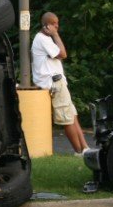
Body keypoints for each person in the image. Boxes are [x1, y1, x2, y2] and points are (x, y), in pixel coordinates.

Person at [31, 12, 90, 155]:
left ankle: (86, 149)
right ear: (46, 25)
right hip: (54, 83)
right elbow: (63, 54)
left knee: (72, 116)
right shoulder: (43, 39)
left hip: (59, 82)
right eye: (54, 23)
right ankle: (78, 151)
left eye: (57, 23)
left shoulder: (46, 39)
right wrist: (56, 35)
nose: (57, 26)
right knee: (67, 119)